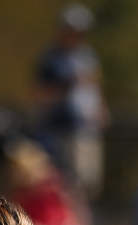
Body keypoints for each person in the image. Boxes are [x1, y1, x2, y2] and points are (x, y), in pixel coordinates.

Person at [32, 3, 109, 203]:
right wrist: (67, 85)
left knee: (90, 182)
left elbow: (94, 86)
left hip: (87, 129)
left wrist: (101, 108)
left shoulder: (88, 56)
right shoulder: (51, 58)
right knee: (68, 183)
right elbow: (40, 94)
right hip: (63, 131)